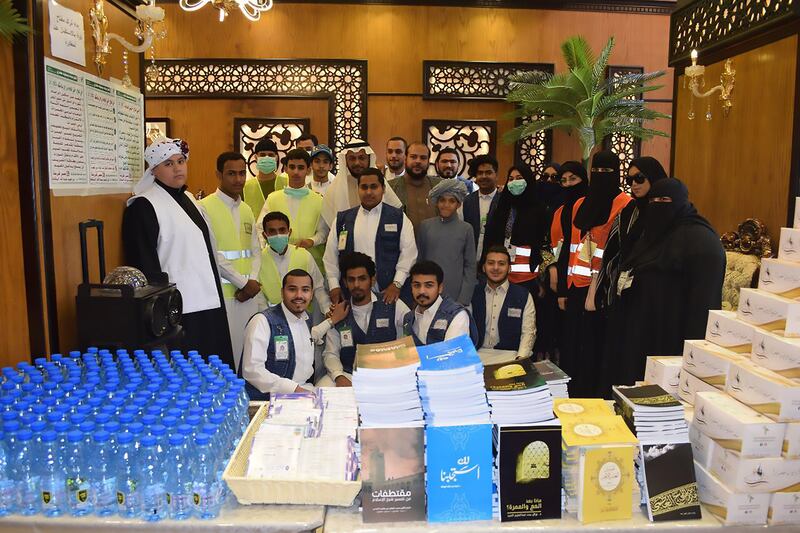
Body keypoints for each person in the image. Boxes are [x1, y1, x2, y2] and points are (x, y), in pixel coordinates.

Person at [605, 178, 725, 394]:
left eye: (665, 199)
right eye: (653, 200)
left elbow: (705, 303)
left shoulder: (701, 240)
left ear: (680, 201)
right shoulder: (652, 234)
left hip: (672, 335)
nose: (658, 205)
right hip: (640, 330)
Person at [122, 137, 234, 367]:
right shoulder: (144, 206)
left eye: (180, 161)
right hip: (178, 310)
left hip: (209, 301)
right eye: (168, 164)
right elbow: (145, 265)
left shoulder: (189, 198)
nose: (177, 168)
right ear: (154, 170)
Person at [560, 150, 632, 398]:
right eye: (597, 172)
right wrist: (563, 286)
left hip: (602, 290)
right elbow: (569, 247)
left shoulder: (625, 204)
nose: (601, 176)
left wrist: (597, 288)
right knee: (572, 346)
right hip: (575, 286)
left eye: (606, 172)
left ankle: (593, 397)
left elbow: (618, 251)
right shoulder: (581, 203)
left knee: (595, 346)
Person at [198, 152, 264, 368]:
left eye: (242, 173)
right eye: (231, 174)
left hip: (250, 295)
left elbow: (255, 249)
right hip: (225, 296)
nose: (238, 179)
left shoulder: (245, 208)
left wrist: (252, 282)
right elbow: (212, 254)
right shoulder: (205, 207)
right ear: (219, 175)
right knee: (231, 358)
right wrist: (243, 283)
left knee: (252, 357)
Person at [240, 269, 347, 399]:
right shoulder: (262, 321)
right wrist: (295, 389)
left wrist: (332, 320)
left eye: (305, 290)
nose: (299, 295)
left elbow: (311, 336)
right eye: (292, 289)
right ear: (282, 292)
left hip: (304, 390)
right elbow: (252, 371)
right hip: (269, 398)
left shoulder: (305, 320)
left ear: (311, 294)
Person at [324, 168, 417, 305]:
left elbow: (409, 253)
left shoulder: (398, 217)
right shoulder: (342, 219)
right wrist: (334, 286)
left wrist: (397, 284)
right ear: (358, 189)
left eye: (374, 187)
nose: (368, 192)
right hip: (352, 294)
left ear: (383, 189)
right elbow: (330, 257)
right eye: (364, 187)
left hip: (389, 293)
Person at [318, 252, 410, 387]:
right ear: (345, 282)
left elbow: (412, 333)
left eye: (362, 279)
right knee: (322, 388)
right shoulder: (339, 312)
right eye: (351, 279)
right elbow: (330, 354)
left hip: (387, 374)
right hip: (349, 375)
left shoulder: (391, 303)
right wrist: (339, 377)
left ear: (372, 280)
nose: (356, 285)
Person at [596, 156, 669, 309]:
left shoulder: (667, 211)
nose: (634, 184)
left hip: (654, 294)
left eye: (640, 178)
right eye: (630, 180)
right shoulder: (629, 210)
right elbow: (612, 251)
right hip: (624, 291)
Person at [319, 139, 402, 241]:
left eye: (362, 158)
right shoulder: (334, 189)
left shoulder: (381, 185)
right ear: (345, 161)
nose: (357, 163)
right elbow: (330, 228)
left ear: (369, 159)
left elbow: (395, 216)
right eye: (352, 158)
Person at [257, 149, 326, 271]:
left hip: (310, 262)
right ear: (285, 168)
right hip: (277, 261)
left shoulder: (319, 200)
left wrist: (311, 241)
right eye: (292, 167)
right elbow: (260, 228)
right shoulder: (273, 198)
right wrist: (263, 252)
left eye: (301, 168)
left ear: (308, 170)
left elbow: (324, 231)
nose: (296, 172)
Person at [417, 179, 476, 305]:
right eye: (442, 200)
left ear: (458, 204)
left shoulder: (466, 229)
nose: (446, 205)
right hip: (427, 292)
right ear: (437, 203)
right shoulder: (425, 226)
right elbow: (419, 261)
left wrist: (463, 299)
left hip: (455, 295)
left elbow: (470, 266)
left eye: (451, 201)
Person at [258, 212, 330, 313]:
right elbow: (259, 296)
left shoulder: (304, 255)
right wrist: (268, 318)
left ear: (289, 232)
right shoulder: (259, 260)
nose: (278, 235)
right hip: (273, 317)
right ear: (265, 235)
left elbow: (318, 287)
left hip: (303, 316)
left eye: (282, 230)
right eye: (272, 231)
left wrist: (327, 310)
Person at [472, 245, 536, 359]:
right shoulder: (473, 294)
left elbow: (528, 332)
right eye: (491, 263)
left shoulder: (523, 295)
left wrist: (520, 358)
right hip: (476, 355)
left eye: (501, 264)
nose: (495, 268)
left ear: (509, 268)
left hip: (511, 357)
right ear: (483, 267)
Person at [403, 260, 478, 346]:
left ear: (440, 288)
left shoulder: (457, 314)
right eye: (417, 285)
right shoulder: (408, 318)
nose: (421, 291)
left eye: (429, 285)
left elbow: (452, 354)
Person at [387, 142, 442, 231]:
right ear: (405, 159)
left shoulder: (439, 186)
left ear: (428, 161)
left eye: (423, 158)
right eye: (413, 157)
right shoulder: (391, 188)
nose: (418, 161)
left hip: (435, 243)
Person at [461, 154, 499, 259]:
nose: (483, 176)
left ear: (496, 175)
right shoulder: (467, 201)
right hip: (470, 258)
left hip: (495, 260)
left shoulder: (504, 201)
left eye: (488, 172)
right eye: (480, 173)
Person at [242, 138, 281, 220]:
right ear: (256, 158)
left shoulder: (286, 183)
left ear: (276, 158)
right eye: (262, 155)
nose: (266, 157)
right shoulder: (245, 187)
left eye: (270, 155)